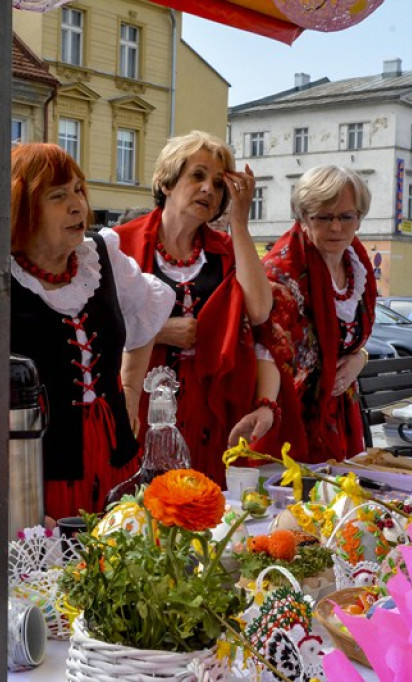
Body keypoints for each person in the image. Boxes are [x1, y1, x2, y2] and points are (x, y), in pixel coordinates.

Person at [0, 143, 174, 519]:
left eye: (78, 189)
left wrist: (129, 386)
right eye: (58, 196)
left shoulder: (102, 257)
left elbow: (147, 311)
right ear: (21, 206)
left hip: (116, 461)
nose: (78, 205)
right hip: (28, 478)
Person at [112, 130, 275, 488]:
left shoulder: (225, 249)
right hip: (141, 403)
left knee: (201, 510)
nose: (208, 189)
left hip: (208, 408)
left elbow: (260, 311)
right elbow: (96, 326)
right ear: (167, 182)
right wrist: (159, 331)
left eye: (218, 184)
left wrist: (240, 223)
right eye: (197, 176)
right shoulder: (121, 243)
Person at [259, 164, 376, 463]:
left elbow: (351, 339)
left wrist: (359, 359)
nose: (336, 227)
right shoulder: (281, 273)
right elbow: (270, 351)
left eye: (346, 217)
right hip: (294, 419)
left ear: (359, 218)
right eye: (323, 217)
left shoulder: (355, 263)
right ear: (302, 217)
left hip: (341, 412)